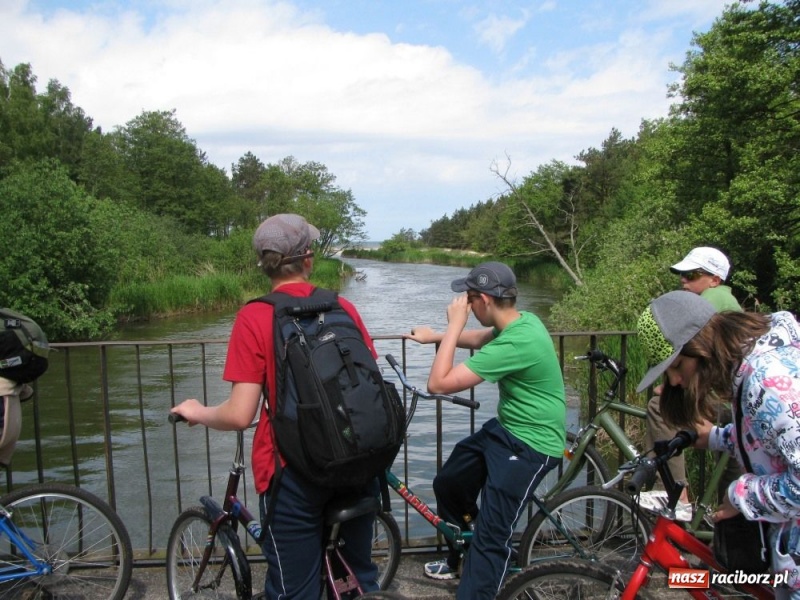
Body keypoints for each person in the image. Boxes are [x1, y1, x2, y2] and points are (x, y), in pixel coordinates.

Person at [170, 214, 379, 599]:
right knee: (357, 578)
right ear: (309, 259)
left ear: (263, 264)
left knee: (291, 587)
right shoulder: (343, 308)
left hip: (292, 469)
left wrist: (196, 411)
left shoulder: (255, 316)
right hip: (357, 460)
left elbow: (239, 415)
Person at [405, 261, 566, 600]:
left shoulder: (517, 343)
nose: (465, 303)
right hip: (507, 429)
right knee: (449, 482)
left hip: (531, 445)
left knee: (493, 538)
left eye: (468, 298)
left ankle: (485, 566)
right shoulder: (521, 322)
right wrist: (435, 335)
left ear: (484, 300)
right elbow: (481, 337)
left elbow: (438, 383)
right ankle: (468, 550)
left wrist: (453, 326)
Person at [636, 290, 800, 597]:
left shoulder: (765, 379)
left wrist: (741, 493)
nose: (673, 381)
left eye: (677, 365)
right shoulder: (751, 363)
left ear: (699, 344)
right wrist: (716, 437)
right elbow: (774, 438)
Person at [641, 246, 742, 519]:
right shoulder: (723, 301)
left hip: (724, 397)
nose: (683, 281)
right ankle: (729, 513)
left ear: (715, 279)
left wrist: (679, 385)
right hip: (734, 399)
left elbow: (696, 352)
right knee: (735, 456)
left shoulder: (712, 301)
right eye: (682, 276)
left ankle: (676, 493)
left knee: (659, 406)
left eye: (692, 275)